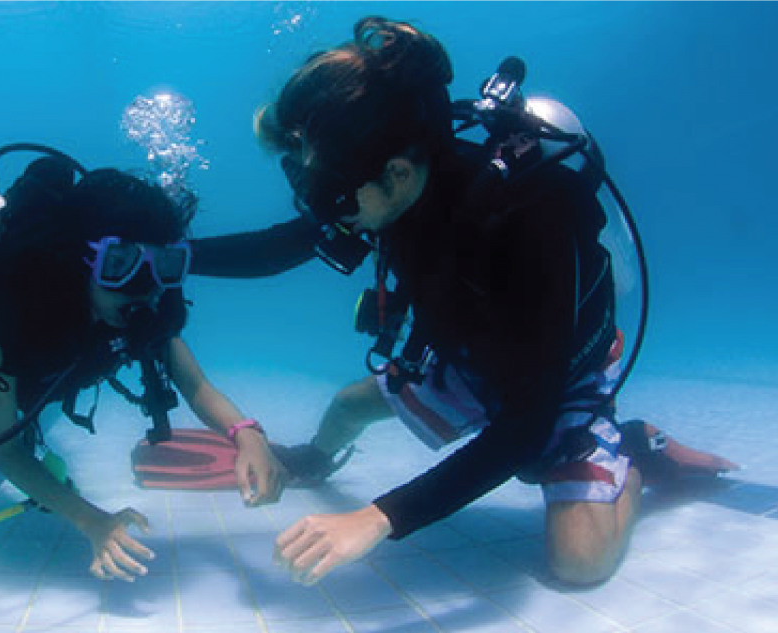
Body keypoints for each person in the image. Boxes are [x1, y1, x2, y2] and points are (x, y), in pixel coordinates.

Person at [191, 16, 737, 586]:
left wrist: (378, 517)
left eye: (324, 194)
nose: (322, 212)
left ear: (397, 174)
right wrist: (171, 258)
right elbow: (284, 246)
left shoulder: (529, 217)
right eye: (304, 185)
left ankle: (628, 456)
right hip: (470, 361)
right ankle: (313, 457)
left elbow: (526, 424)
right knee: (348, 408)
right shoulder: (375, 184)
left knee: (578, 563)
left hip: (557, 383)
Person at [0, 157, 286, 582]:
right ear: (77, 263)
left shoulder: (148, 305)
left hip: (54, 368)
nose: (141, 288)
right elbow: (6, 451)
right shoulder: (6, 315)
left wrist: (247, 433)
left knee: (38, 411)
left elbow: (197, 386)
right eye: (119, 265)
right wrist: (91, 520)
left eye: (162, 266)